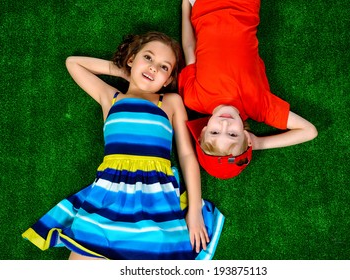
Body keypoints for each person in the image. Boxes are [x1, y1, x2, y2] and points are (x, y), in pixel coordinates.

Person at [22, 31, 224, 260]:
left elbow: (187, 155)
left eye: (164, 67)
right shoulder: (111, 97)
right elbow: (73, 63)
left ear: (167, 81)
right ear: (131, 59)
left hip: (156, 196)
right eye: (147, 58)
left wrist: (195, 211)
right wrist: (124, 71)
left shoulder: (170, 102)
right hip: (109, 194)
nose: (154, 68)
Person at [179, 0, 318, 179]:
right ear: (246, 136)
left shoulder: (194, 98)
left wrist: (185, 6)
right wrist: (259, 143)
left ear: (203, 132)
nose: (224, 124)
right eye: (232, 134)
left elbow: (189, 48)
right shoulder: (258, 106)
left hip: (202, 5)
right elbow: (309, 131)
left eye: (214, 132)